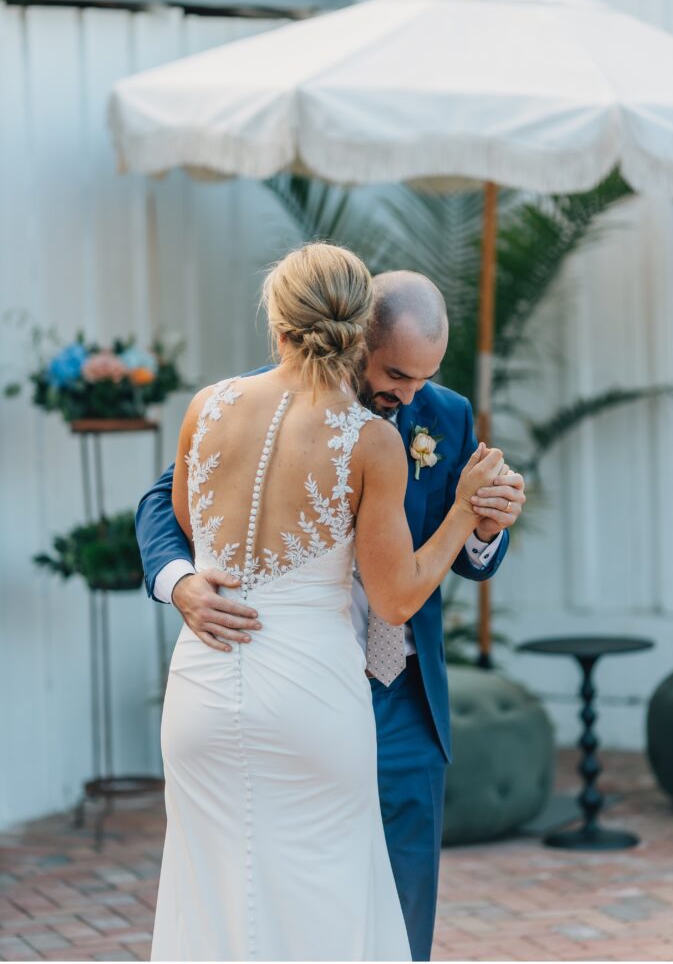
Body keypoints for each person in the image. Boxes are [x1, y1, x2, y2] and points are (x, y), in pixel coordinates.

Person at [138, 251, 525, 962]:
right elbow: (163, 504)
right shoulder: (287, 414)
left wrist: (487, 526)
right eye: (396, 375)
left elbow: (475, 553)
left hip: (391, 690)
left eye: (425, 379)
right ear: (356, 339)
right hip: (314, 683)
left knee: (385, 899)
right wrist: (180, 581)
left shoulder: (441, 415)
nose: (410, 398)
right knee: (315, 894)